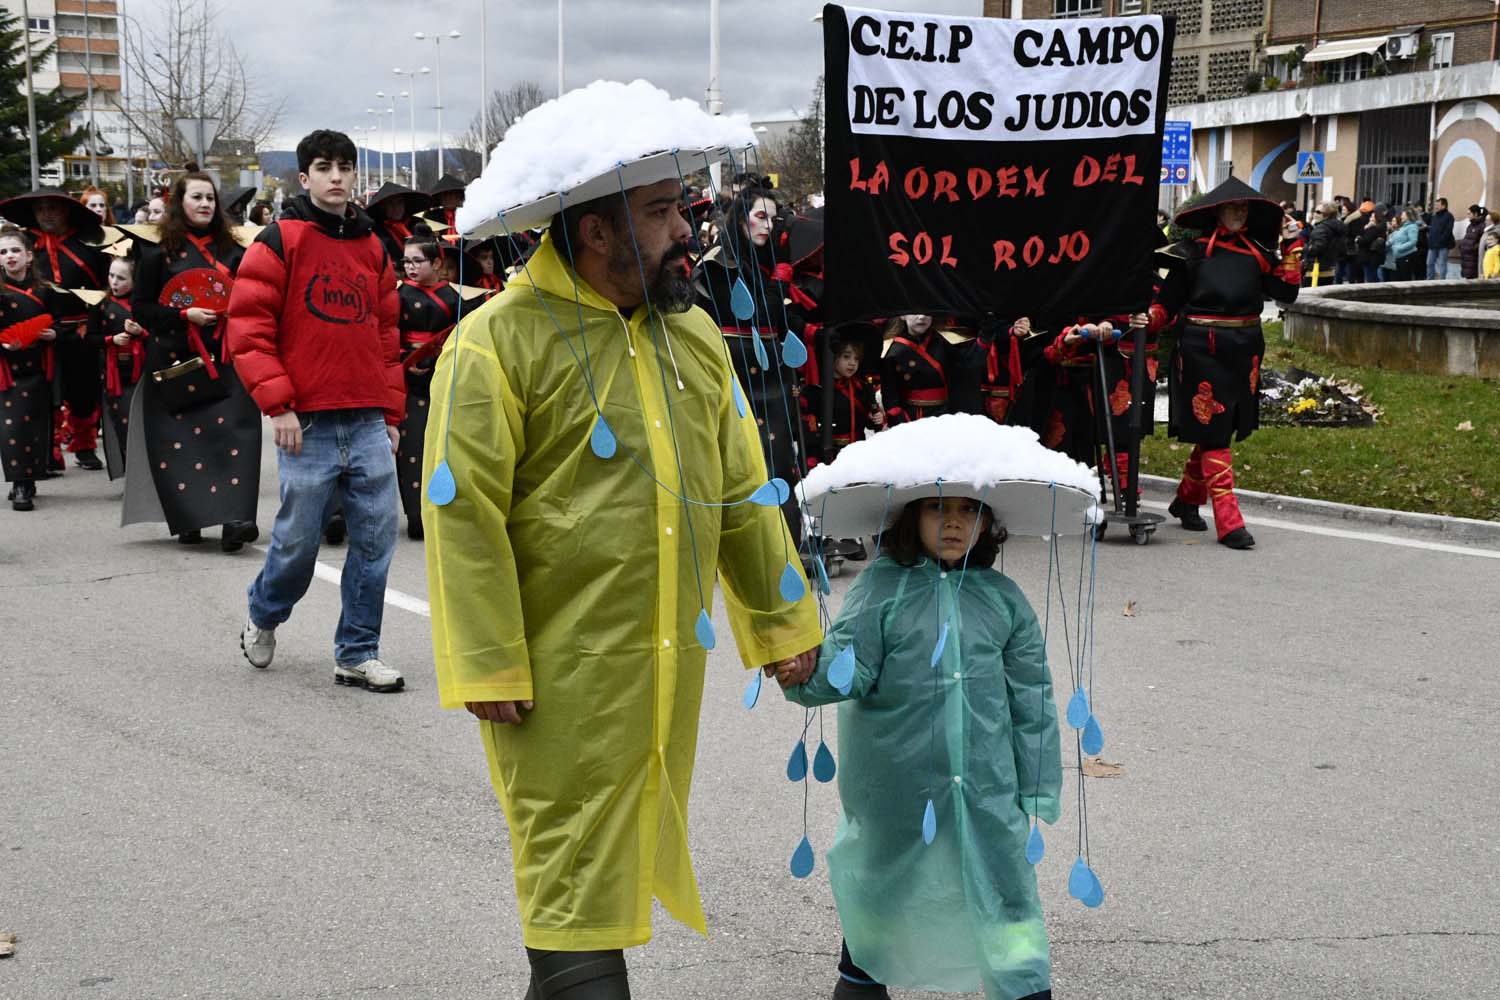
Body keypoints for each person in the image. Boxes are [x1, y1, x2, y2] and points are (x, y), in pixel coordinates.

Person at [422, 82, 822, 998]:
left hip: (662, 676)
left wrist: (782, 621)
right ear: (595, 230)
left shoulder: (694, 337)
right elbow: (462, 513)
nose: (687, 228)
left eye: (681, 205)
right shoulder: (494, 345)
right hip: (555, 687)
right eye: (660, 211)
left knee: (595, 910)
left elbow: (738, 494)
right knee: (572, 911)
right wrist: (487, 661)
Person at [785, 489, 1061, 1000]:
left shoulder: (1003, 600)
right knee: (885, 883)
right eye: (938, 508)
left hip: (986, 788)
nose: (954, 523)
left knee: (1004, 888)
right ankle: (861, 978)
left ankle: (1024, 986)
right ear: (910, 516)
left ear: (987, 523)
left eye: (969, 510)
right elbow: (852, 668)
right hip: (898, 786)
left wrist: (1038, 785)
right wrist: (801, 671)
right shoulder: (881, 589)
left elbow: (1033, 699)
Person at [225, 130, 404, 690]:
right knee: (298, 545)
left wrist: (393, 417)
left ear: (355, 176)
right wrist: (277, 406)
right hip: (306, 423)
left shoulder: (374, 246)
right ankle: (263, 612)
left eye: (345, 168)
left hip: (369, 420)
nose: (336, 177)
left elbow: (387, 334)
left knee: (374, 543)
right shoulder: (279, 240)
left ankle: (357, 651)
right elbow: (249, 331)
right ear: (303, 178)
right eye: (323, 167)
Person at [1152, 176, 1299, 550]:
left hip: (1245, 349)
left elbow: (1287, 293)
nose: (1238, 211)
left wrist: (1294, 247)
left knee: (1223, 426)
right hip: (1203, 349)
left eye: (1244, 206)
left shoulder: (1258, 253)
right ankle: (1229, 522)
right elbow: (1166, 303)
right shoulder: (1192, 253)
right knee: (1215, 429)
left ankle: (1186, 499)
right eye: (1232, 206)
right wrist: (1146, 319)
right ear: (1216, 211)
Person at [126, 171, 262, 550]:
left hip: (227, 355)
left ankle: (238, 519)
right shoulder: (157, 253)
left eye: (210, 199)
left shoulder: (234, 250)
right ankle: (191, 517)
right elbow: (142, 308)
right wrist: (184, 316)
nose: (205, 204)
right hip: (175, 360)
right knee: (182, 444)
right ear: (179, 203)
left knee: (237, 433)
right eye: (196, 197)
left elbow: (251, 298)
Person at [696, 185, 811, 547]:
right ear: (740, 216)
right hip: (740, 382)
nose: (769, 226)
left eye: (773, 220)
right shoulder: (716, 264)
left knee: (780, 469)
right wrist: (778, 293)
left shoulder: (763, 262)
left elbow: (781, 325)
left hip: (772, 386)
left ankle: (785, 550)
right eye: (761, 216)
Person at [0, 188, 109, 471]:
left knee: (82, 390)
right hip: (35, 333)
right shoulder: (24, 246)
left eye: (53, 208)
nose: (46, 214)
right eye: (41, 209)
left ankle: (84, 446)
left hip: (80, 329)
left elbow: (106, 287)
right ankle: (47, 453)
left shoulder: (90, 241)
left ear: (66, 211)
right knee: (42, 395)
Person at [394, 234, 460, 540]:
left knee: (448, 444)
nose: (410, 267)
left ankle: (446, 507)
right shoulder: (397, 295)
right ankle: (415, 513)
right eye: (406, 261)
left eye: (417, 260)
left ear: (437, 263)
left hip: (445, 373)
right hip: (408, 375)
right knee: (412, 447)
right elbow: (389, 333)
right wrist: (405, 358)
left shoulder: (455, 297)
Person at [0, 226, 64, 511]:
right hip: (6, 371)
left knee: (35, 425)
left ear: (28, 256)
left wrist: (54, 334)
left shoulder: (45, 290)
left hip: (39, 367)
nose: (9, 256)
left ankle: (29, 478)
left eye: (15, 250)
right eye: (2, 252)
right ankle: (19, 483)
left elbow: (64, 324)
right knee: (11, 426)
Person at [86, 255, 147, 478]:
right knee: (124, 425)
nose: (114, 282)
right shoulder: (100, 305)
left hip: (144, 374)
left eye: (121, 277)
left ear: (135, 279)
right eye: (111, 276)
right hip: (115, 379)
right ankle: (133, 477)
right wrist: (111, 340)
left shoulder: (145, 303)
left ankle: (151, 477)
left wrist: (142, 333)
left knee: (147, 427)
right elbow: (90, 339)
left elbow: (161, 335)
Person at [367, 181, 431, 264]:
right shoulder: (376, 230)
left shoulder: (418, 224)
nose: (396, 208)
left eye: (399, 202)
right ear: (383, 207)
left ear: (405, 204)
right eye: (391, 203)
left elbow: (431, 248)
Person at [1301, 202, 1346, 285]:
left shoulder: (1321, 228)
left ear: (1327, 215)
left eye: (1318, 212)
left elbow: (1317, 248)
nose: (1314, 214)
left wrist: (1305, 248)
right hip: (1330, 270)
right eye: (1314, 211)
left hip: (1315, 270)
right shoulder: (1338, 227)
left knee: (1309, 296)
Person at [1384, 208, 1422, 281]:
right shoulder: (1403, 227)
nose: (1401, 216)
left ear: (1408, 216)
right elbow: (1397, 238)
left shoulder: (1412, 226)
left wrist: (1399, 248)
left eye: (1403, 215)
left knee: (1405, 279)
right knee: (1399, 279)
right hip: (1399, 257)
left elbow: (1413, 241)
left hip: (1406, 256)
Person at [1355, 205, 1388, 285]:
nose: (1370, 218)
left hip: (1370, 257)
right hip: (1374, 256)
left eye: (1372, 217)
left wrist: (1358, 239)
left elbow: (1365, 240)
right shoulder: (1380, 227)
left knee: (1370, 278)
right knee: (1372, 275)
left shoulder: (1373, 229)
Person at [1426, 198, 1456, 280]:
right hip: (1432, 245)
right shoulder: (1435, 216)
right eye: (1435, 205)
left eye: (1437, 205)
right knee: (1429, 263)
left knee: (1442, 264)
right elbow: (1432, 230)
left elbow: (1448, 231)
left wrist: (1440, 241)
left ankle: (1442, 281)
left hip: (1443, 245)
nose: (1435, 207)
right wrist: (1430, 241)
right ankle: (1429, 281)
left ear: (1444, 206)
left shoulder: (1449, 216)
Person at [1458, 205, 1486, 279]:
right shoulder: (1470, 226)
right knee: (1467, 279)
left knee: (1472, 280)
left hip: (1473, 259)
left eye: (1469, 214)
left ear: (1476, 214)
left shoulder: (1482, 226)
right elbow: (1467, 238)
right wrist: (1461, 246)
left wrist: (1472, 248)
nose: (1468, 216)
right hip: (1466, 258)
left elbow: (1482, 242)